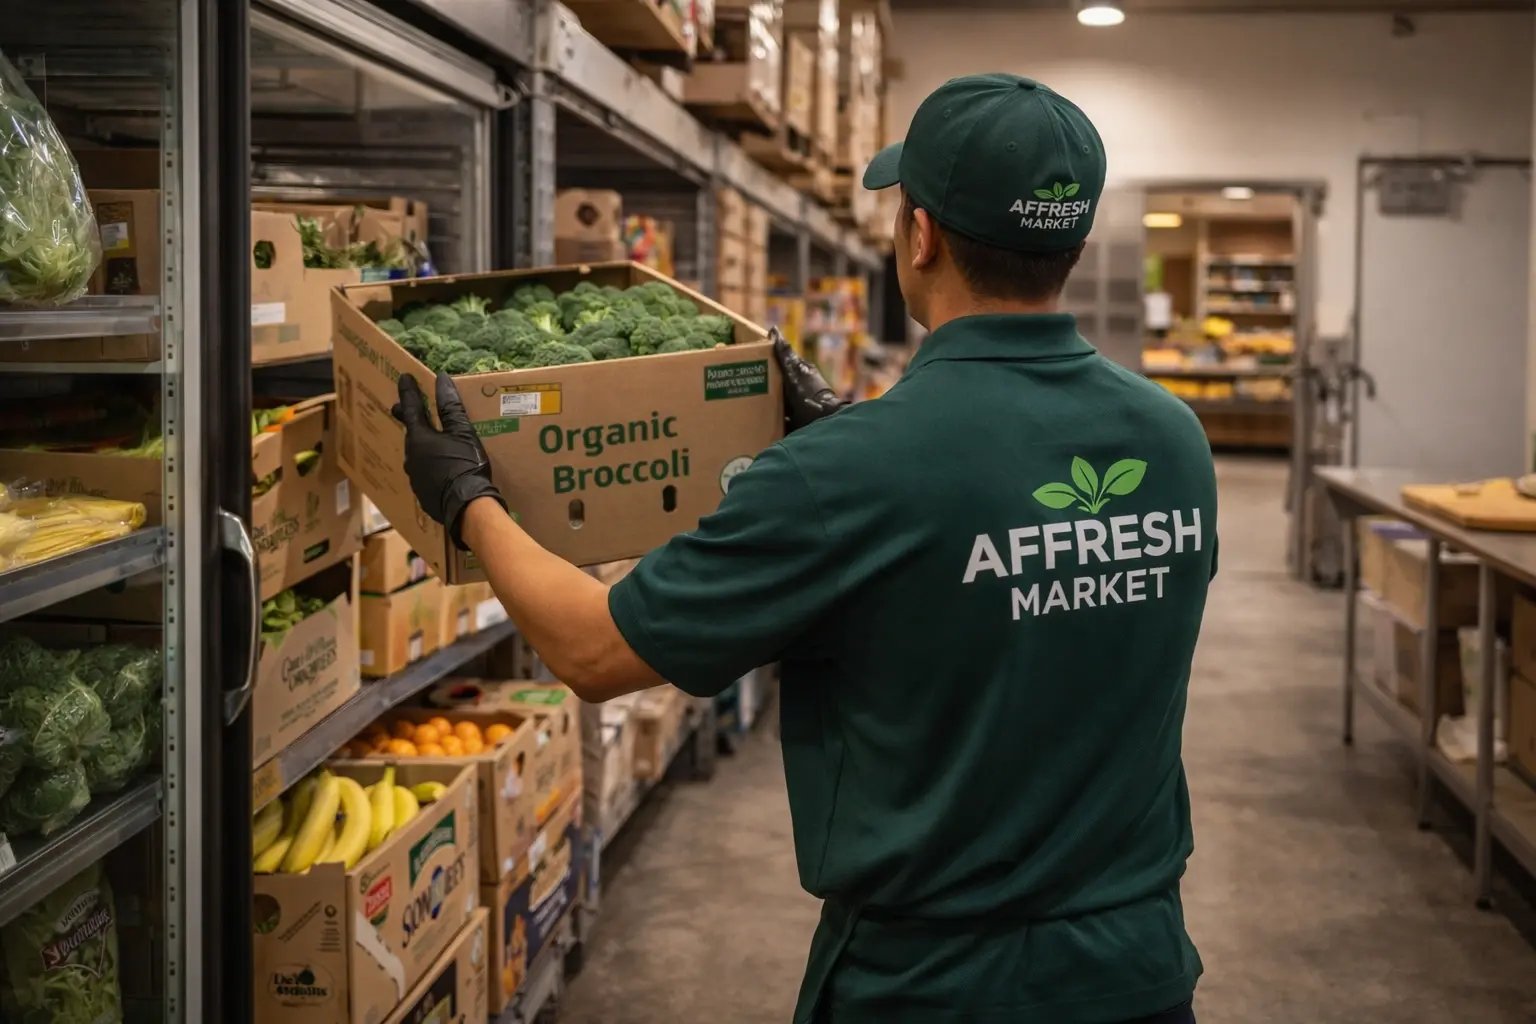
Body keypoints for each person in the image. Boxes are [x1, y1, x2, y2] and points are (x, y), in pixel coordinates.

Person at [394, 72, 1216, 1024]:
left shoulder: (850, 472)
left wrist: (468, 497)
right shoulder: (1174, 439)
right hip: (1138, 973)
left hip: (930, 988)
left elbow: (590, 648)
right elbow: (1035, 609)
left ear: (920, 236)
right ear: (1070, 245)